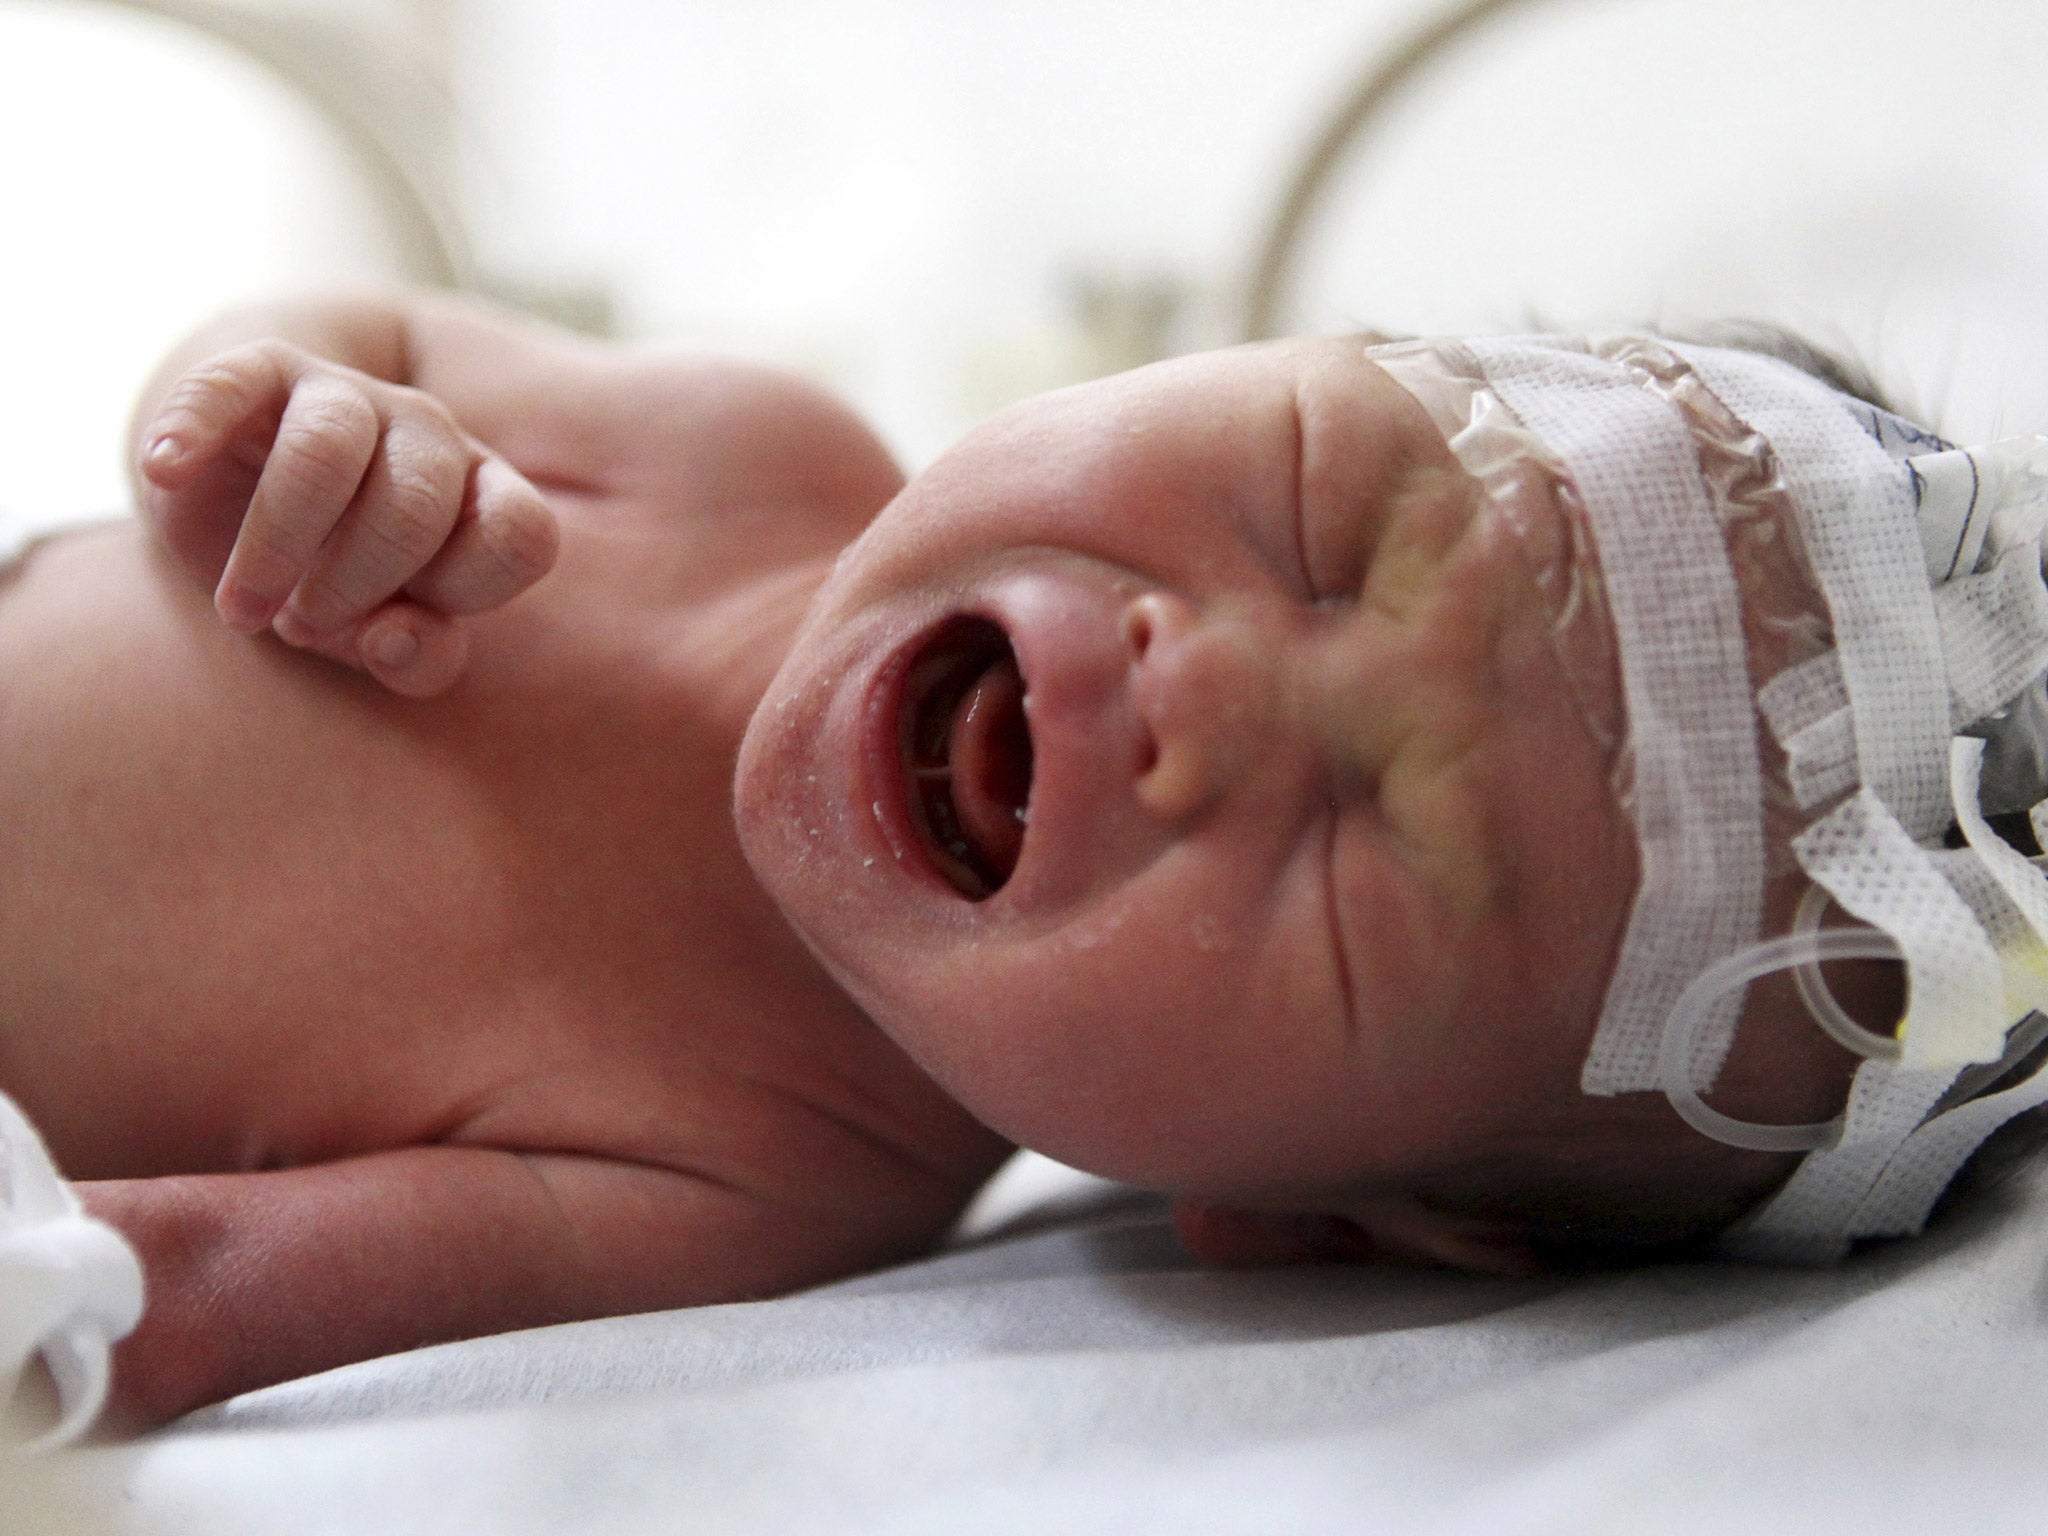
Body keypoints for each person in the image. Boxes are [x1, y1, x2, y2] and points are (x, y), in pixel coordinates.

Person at [8, 292, 2041, 1432]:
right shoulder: (743, 448)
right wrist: (274, 421)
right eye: (1316, 509)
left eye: (1365, 853)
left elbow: (156, 1286)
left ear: (1329, 1218)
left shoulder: (761, 1169)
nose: (1208, 698)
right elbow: (335, 333)